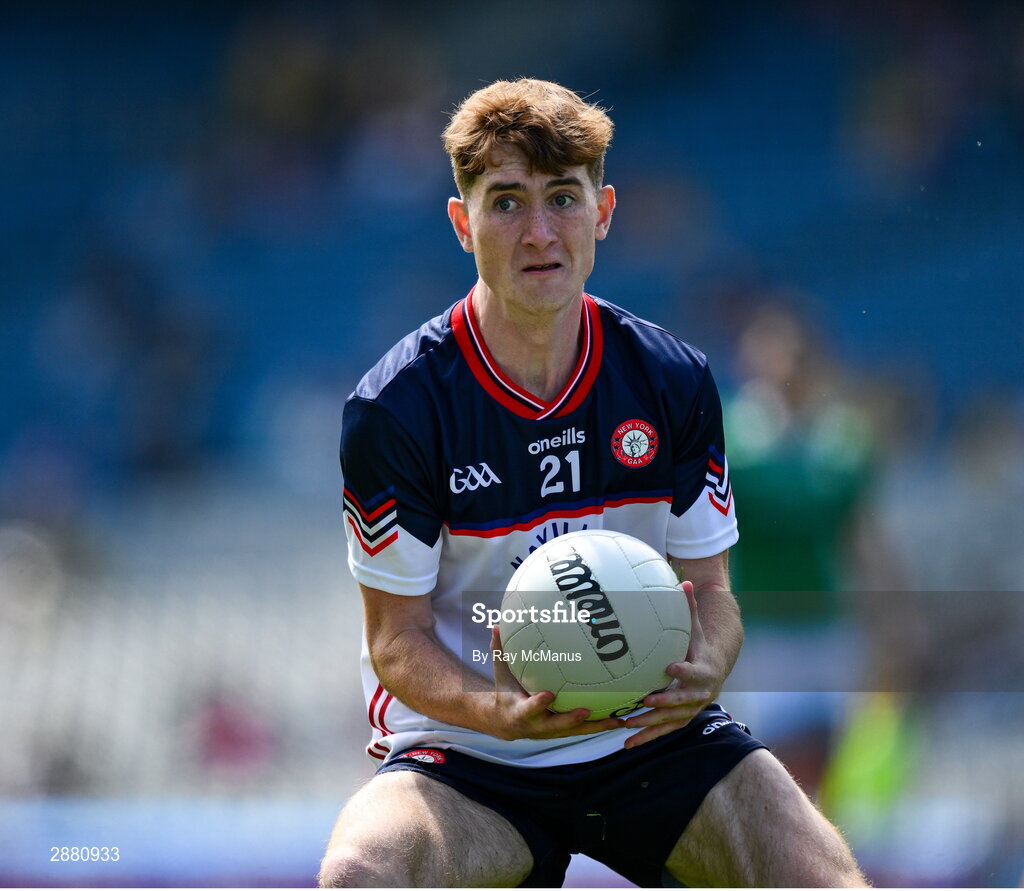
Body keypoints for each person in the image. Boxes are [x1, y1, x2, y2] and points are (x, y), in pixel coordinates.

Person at [320, 78, 866, 888]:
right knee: (363, 874)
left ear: (602, 212)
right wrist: (501, 710)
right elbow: (396, 642)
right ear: (461, 222)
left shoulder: (673, 379)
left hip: (653, 734)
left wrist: (707, 664)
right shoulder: (397, 409)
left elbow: (712, 593)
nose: (539, 232)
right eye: (505, 202)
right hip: (472, 754)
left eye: (562, 199)